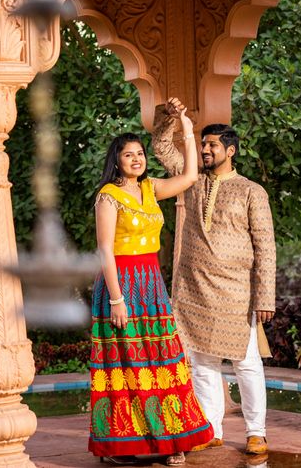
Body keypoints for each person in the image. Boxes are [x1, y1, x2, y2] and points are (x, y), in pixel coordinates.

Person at [88, 107, 214, 466]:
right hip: (121, 284)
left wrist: (187, 129)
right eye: (129, 155)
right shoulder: (108, 196)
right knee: (125, 363)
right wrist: (115, 299)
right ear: (117, 160)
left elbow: (190, 176)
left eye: (140, 153)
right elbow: (105, 250)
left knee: (162, 359)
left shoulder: (151, 187)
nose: (137, 159)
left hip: (151, 285)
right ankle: (122, 446)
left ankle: (171, 441)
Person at [153, 98, 276, 455]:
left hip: (237, 291)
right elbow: (162, 146)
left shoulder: (252, 191)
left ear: (231, 150)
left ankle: (257, 431)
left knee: (246, 363)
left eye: (212, 145)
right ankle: (211, 427)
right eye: (203, 144)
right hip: (194, 288)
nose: (205, 150)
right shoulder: (191, 179)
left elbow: (265, 246)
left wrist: (265, 297)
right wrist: (171, 117)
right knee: (203, 363)